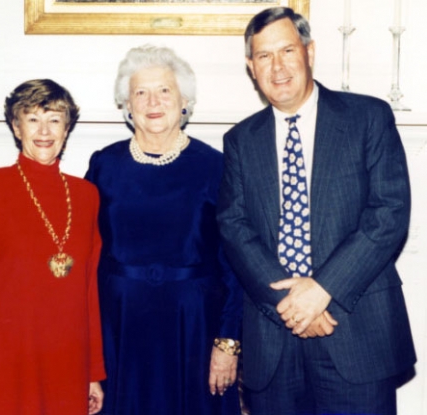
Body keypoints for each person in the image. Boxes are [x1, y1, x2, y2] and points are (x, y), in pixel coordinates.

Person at [217, 7, 416, 415]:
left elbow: (388, 213)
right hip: (273, 339)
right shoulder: (240, 140)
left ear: (310, 52)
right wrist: (292, 304)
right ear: (251, 68)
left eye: (287, 50)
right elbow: (234, 228)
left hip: (355, 327)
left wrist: (322, 290)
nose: (277, 67)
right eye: (264, 56)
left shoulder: (368, 117)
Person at [85, 45, 243, 415]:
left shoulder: (215, 166)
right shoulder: (104, 165)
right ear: (127, 105)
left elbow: (236, 262)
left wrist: (229, 341)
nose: (153, 101)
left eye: (165, 91)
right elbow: (85, 253)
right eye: (141, 92)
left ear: (184, 101)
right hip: (118, 328)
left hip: (195, 329)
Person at [0, 79, 106, 415]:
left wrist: (93, 373)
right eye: (32, 119)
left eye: (54, 120)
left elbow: (89, 290)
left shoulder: (86, 196)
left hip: (66, 361)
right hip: (1, 361)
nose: (44, 131)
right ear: (16, 128)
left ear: (67, 128)